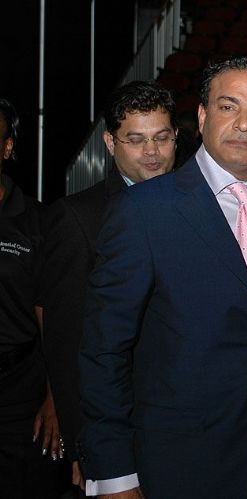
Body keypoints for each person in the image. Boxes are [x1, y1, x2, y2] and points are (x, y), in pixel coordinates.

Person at [77, 57, 247, 498]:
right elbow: (104, 350)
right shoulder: (144, 210)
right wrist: (114, 474)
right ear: (202, 118)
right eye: (228, 106)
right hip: (174, 463)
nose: (243, 123)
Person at [39, 80, 178, 492]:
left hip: (187, 424)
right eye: (135, 140)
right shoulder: (78, 218)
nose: (152, 152)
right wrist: (88, 448)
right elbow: (68, 345)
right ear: (109, 142)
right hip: (121, 428)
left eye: (162, 138)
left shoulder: (202, 207)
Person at [0, 98, 62, 497]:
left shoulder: (37, 221)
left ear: (7, 146)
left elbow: (54, 318)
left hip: (18, 394)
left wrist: (56, 398)